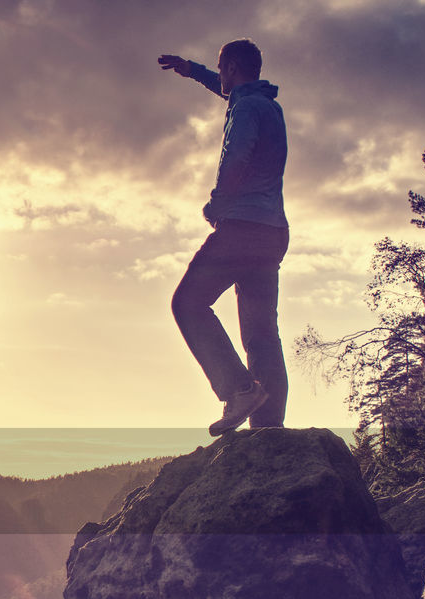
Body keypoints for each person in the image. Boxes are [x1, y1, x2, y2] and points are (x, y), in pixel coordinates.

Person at [159, 40, 290, 435]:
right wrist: (192, 69)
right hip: (272, 231)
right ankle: (267, 426)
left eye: (220, 70)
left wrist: (217, 204)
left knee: (188, 303)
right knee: (261, 331)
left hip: (241, 227)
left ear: (231, 68)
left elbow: (236, 155)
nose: (219, 78)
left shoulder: (246, 108)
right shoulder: (266, 103)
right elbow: (225, 89)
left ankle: (239, 389)